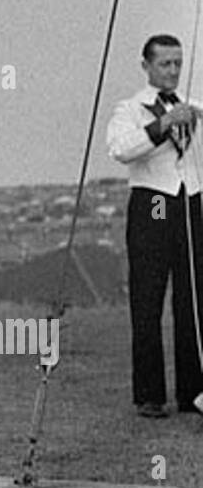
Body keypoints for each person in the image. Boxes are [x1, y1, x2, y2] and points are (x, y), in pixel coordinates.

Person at [106, 33, 203, 419]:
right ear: (146, 66)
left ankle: (194, 391)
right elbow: (120, 149)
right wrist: (162, 124)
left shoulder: (191, 105)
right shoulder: (131, 108)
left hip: (190, 202)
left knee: (193, 298)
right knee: (148, 297)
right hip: (156, 203)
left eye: (178, 63)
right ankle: (149, 394)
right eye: (165, 64)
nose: (174, 71)